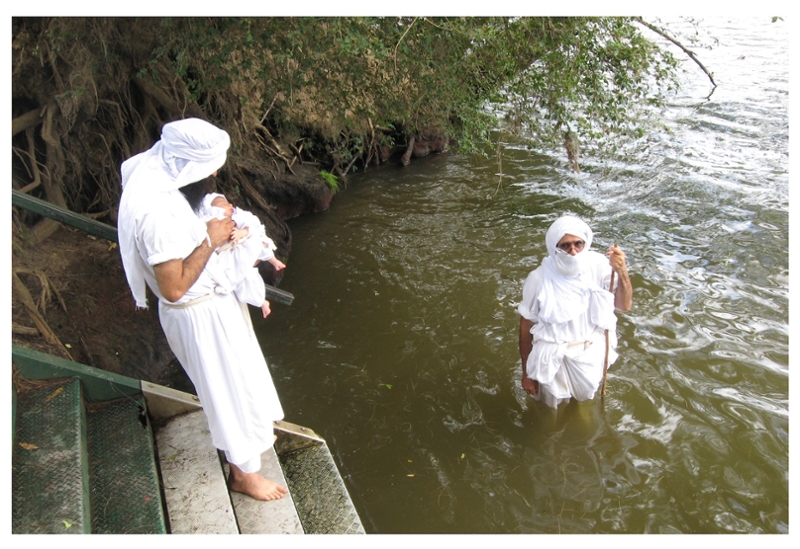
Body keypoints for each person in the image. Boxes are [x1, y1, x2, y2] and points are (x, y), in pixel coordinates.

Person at [117, 117, 288, 500]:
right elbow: (174, 287)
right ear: (188, 165)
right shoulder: (157, 213)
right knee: (226, 391)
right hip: (197, 314)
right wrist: (210, 240)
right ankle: (242, 474)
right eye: (209, 167)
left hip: (214, 304)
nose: (214, 174)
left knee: (241, 380)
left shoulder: (159, 173)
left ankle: (252, 436)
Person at [518, 215, 632, 408]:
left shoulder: (599, 266)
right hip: (553, 359)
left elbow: (624, 306)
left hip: (590, 354)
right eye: (565, 246)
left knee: (585, 405)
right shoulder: (538, 279)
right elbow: (525, 326)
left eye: (578, 244)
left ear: (585, 244)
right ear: (554, 247)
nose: (573, 251)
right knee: (549, 412)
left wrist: (622, 272)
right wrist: (527, 374)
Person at [196, 193, 285, 319]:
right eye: (223, 205)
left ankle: (274, 261)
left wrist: (242, 232)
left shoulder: (238, 216)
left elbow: (255, 227)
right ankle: (261, 302)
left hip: (245, 244)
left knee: (259, 243)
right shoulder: (210, 225)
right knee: (245, 277)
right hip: (229, 255)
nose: (229, 206)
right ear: (213, 211)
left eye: (228, 203)